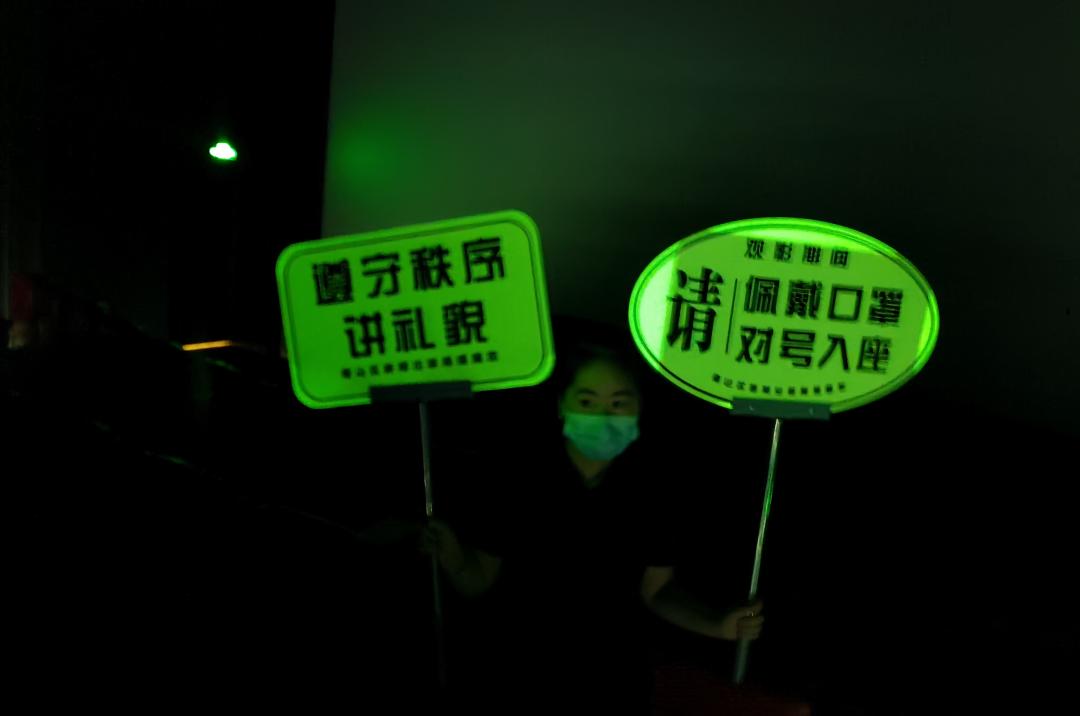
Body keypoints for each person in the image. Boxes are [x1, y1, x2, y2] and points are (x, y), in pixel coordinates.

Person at [421, 338, 764, 714]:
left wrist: (717, 625)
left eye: (619, 403)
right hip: (514, 676)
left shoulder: (653, 489)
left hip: (613, 680)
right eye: (587, 402)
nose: (603, 415)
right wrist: (452, 557)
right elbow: (478, 581)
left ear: (639, 407)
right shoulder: (515, 478)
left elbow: (657, 591)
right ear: (561, 405)